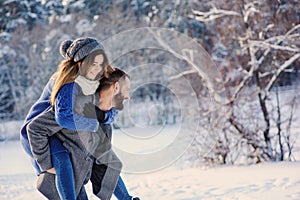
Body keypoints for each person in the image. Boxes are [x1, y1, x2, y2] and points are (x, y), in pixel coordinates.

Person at [20, 37, 135, 199]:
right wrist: (46, 165)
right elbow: (61, 118)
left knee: (102, 160)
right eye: (92, 63)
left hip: (68, 133)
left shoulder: (99, 78)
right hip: (45, 132)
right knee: (64, 162)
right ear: (81, 63)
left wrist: (102, 116)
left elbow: (110, 107)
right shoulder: (69, 83)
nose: (97, 68)